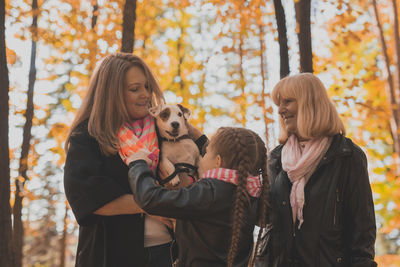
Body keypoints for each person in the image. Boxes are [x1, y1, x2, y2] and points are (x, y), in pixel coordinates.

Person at [64, 53, 204, 267]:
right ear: (111, 93)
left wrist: (197, 134)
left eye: (147, 87)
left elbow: (208, 153)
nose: (146, 95)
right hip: (111, 255)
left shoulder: (161, 127)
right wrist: (152, 204)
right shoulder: (87, 136)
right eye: (135, 89)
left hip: (169, 253)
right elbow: (88, 197)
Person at [266, 73, 377, 267]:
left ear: (309, 103)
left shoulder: (346, 156)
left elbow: (362, 235)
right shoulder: (276, 159)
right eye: (278, 104)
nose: (280, 111)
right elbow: (265, 222)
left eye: (288, 102)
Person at [126, 127, 270, 267]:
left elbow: (151, 199)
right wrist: (201, 139)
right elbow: (226, 156)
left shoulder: (209, 192)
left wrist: (138, 164)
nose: (202, 156)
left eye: (206, 153)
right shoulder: (251, 195)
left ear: (218, 161)